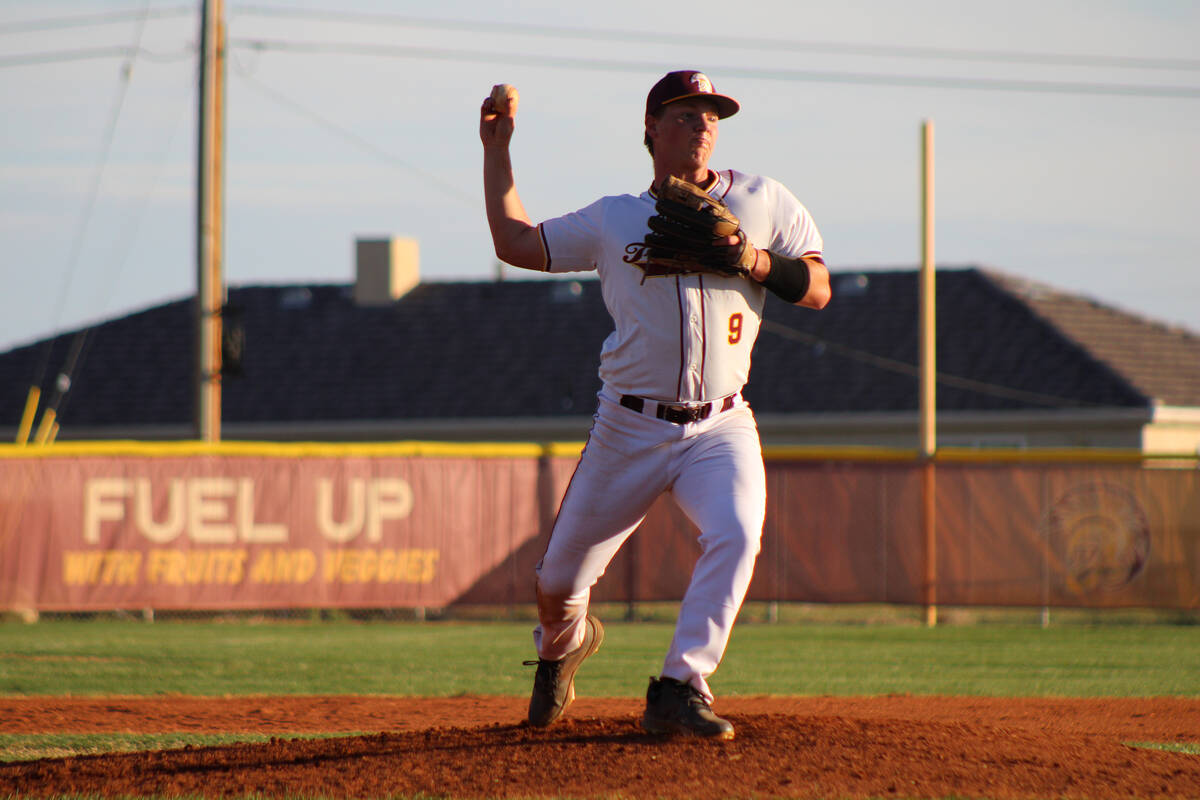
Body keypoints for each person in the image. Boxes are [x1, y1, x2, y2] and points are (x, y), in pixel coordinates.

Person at [479, 70, 831, 740]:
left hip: (721, 422)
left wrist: (755, 261)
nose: (703, 124)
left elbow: (817, 287)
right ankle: (562, 648)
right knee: (557, 585)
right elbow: (515, 244)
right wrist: (497, 151)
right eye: (685, 113)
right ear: (651, 128)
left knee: (736, 533)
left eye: (711, 114)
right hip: (628, 426)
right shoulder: (616, 218)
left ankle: (680, 685)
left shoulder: (760, 200)